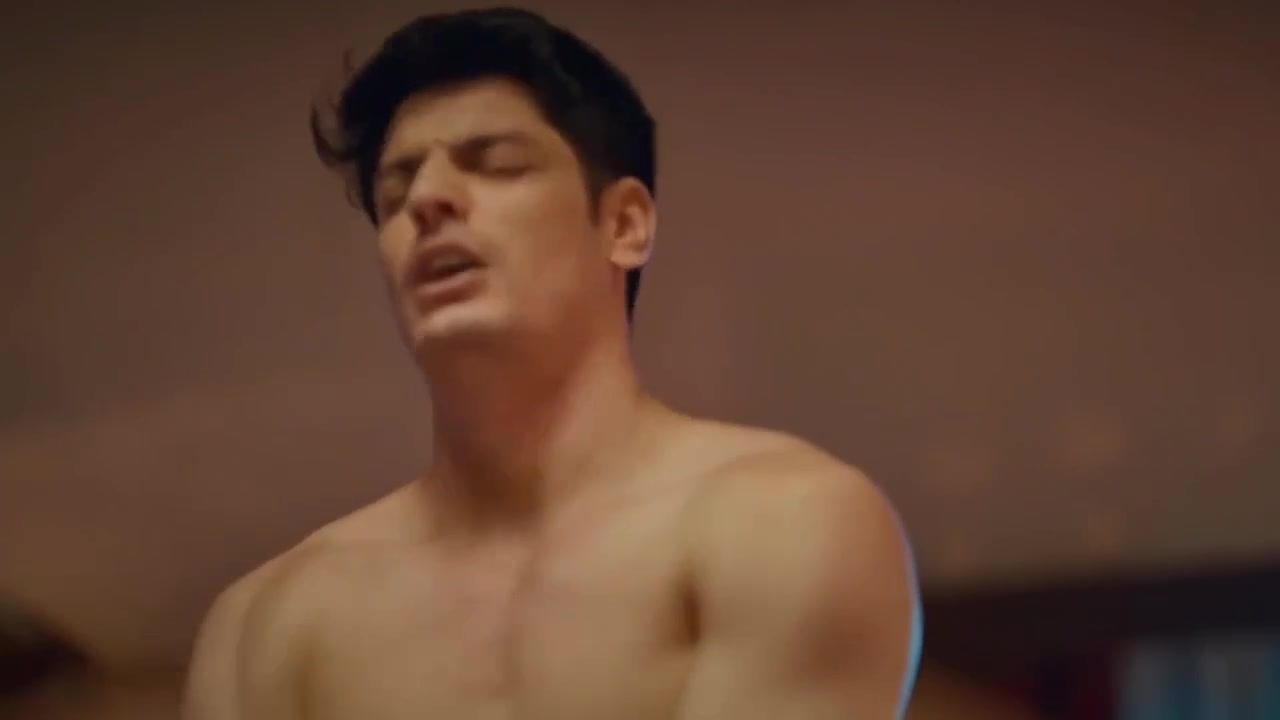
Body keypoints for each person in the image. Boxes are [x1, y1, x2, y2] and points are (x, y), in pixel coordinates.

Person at [182, 7, 921, 719]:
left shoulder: (781, 524)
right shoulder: (267, 623)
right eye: (396, 192)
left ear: (624, 224)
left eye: (497, 165)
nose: (429, 200)